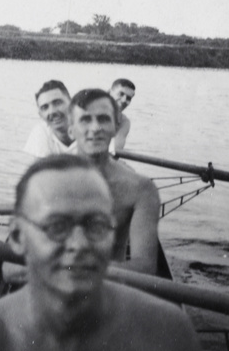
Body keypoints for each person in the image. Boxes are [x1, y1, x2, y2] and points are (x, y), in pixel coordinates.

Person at [0, 155, 206, 351]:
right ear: (17, 237)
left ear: (114, 234)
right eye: (56, 227)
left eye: (96, 225)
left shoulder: (171, 335)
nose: (79, 244)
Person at [68, 88, 160, 275]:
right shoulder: (44, 183)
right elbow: (10, 268)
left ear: (115, 127)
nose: (95, 128)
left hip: (108, 290)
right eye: (85, 120)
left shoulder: (141, 189)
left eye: (103, 119)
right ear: (71, 130)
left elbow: (146, 267)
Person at [23, 79, 74, 157]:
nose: (52, 111)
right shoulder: (41, 132)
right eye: (45, 107)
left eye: (57, 103)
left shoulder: (89, 128)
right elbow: (40, 168)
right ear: (41, 115)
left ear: (72, 104)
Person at [109, 78, 136, 150]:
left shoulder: (124, 122)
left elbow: (115, 151)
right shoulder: (87, 109)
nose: (124, 100)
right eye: (121, 94)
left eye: (128, 98)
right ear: (109, 92)